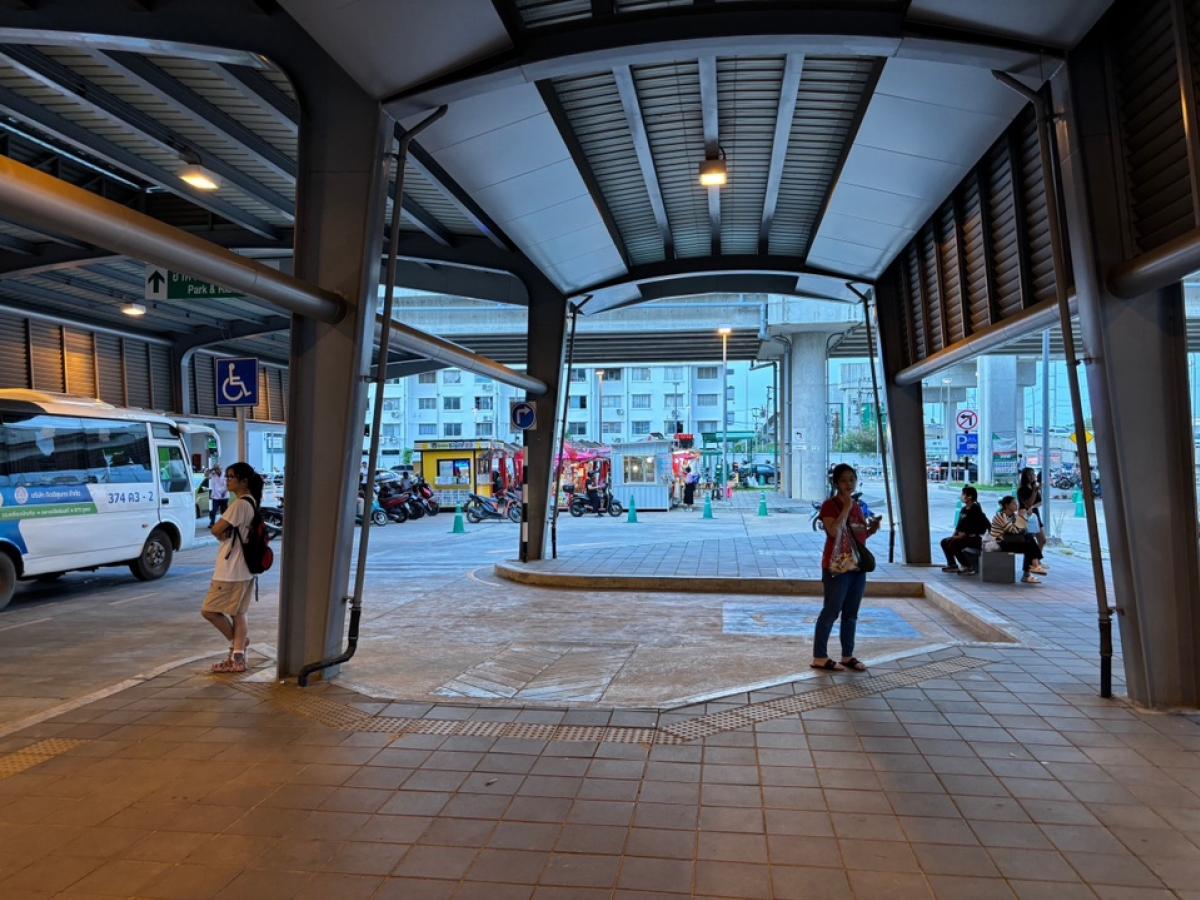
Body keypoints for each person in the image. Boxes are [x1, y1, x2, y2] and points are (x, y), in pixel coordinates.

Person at [812, 463, 880, 673]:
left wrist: (871, 530)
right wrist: (846, 507)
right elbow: (834, 532)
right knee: (831, 611)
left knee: (851, 613)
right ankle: (820, 656)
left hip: (856, 566)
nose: (848, 484)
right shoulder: (830, 506)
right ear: (836, 483)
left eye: (852, 479)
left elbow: (857, 537)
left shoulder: (857, 506)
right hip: (837, 566)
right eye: (843, 480)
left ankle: (847, 655)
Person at [202, 462, 264, 674]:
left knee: (209, 611)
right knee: (239, 613)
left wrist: (220, 532)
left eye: (231, 477)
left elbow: (216, 529)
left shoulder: (240, 505)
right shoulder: (251, 502)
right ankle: (237, 658)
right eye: (227, 476)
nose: (227, 480)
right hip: (244, 569)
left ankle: (239, 643)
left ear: (244, 481)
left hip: (231, 571)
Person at [990, 495, 1047, 584]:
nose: (1016, 505)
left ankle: (1031, 570)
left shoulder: (1013, 516)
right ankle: (1033, 568)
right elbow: (1013, 530)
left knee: (1029, 541)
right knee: (1029, 543)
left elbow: (1024, 529)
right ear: (1007, 505)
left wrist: (1022, 522)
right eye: (1014, 503)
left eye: (1016, 503)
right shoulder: (1000, 516)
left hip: (1010, 541)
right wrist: (1023, 519)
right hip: (1000, 543)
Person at [940, 485, 989, 574]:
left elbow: (985, 525)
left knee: (953, 543)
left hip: (974, 538)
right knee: (944, 541)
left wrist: (966, 534)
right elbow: (959, 526)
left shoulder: (976, 509)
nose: (961, 496)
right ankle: (952, 565)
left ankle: (967, 566)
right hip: (963, 537)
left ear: (969, 497)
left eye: (963, 494)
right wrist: (954, 535)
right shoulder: (963, 509)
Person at [1017, 467, 1046, 552]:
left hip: (1035, 514)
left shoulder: (1034, 487)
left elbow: (1040, 502)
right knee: (1029, 542)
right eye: (1029, 474)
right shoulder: (1022, 490)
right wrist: (1034, 490)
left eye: (1033, 474)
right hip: (1025, 516)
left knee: (1042, 540)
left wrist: (1033, 507)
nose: (1032, 476)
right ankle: (1033, 558)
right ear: (1024, 476)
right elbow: (1029, 503)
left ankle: (1036, 557)